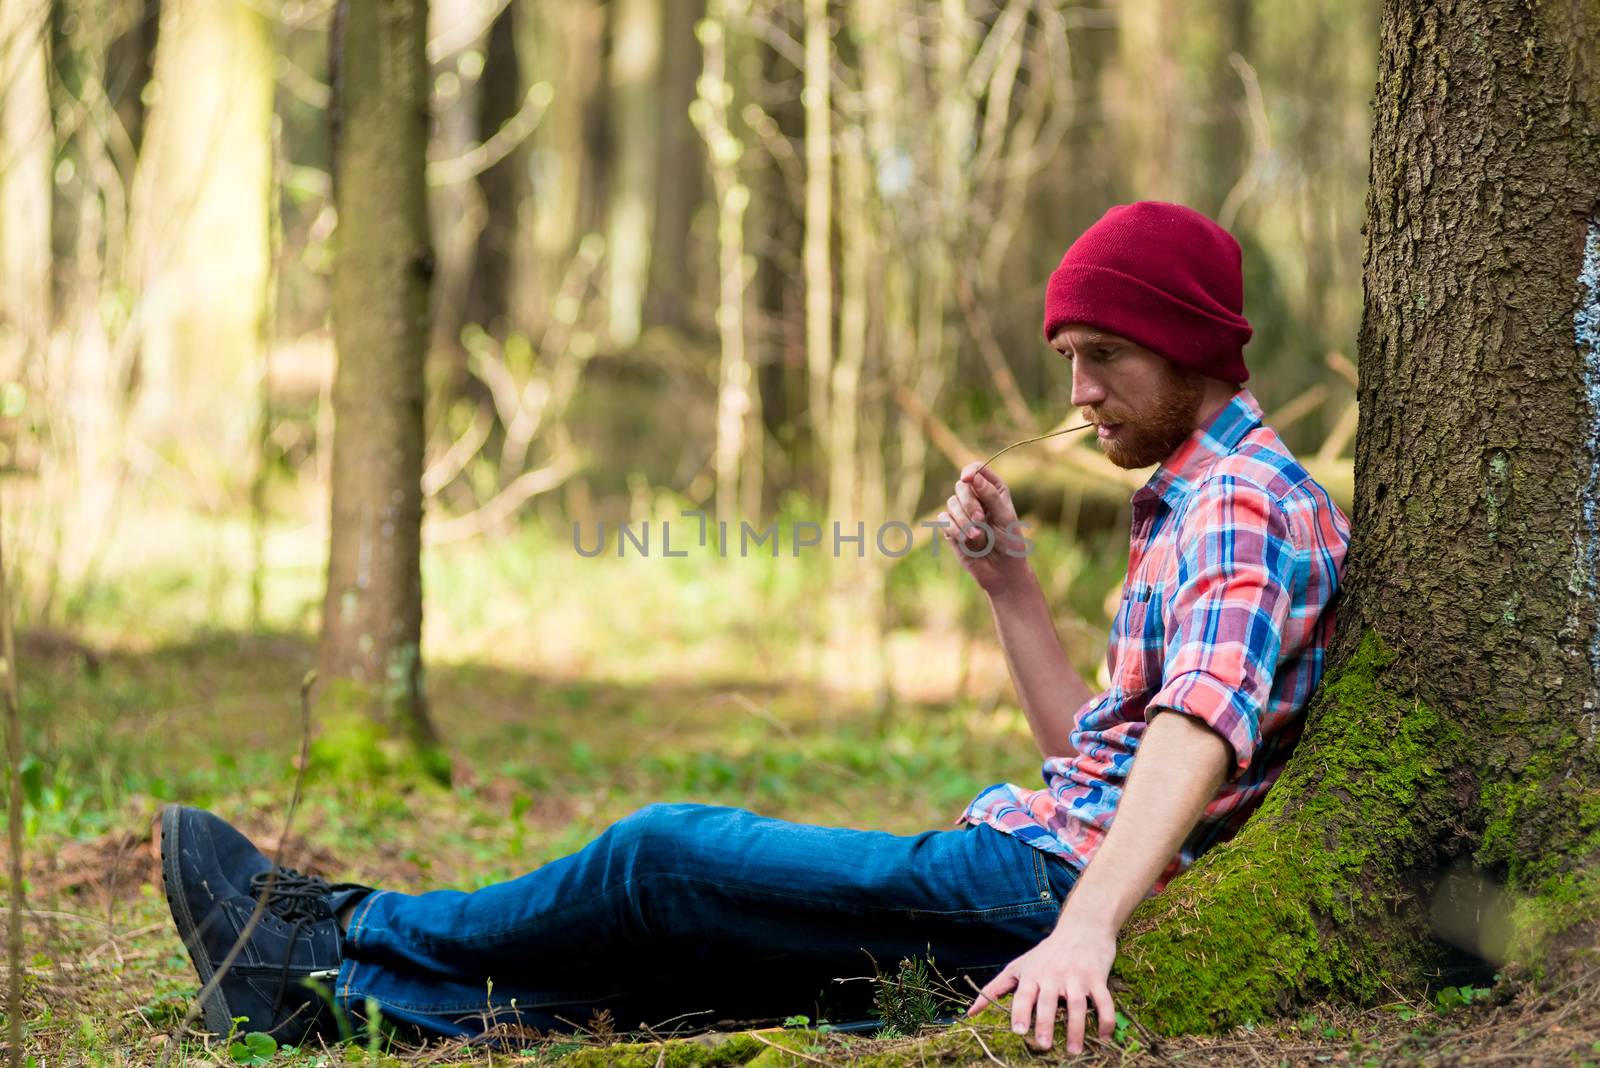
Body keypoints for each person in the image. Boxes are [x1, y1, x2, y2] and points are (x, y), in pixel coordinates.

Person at [160, 201, 1349, 1055]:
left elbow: (1197, 731)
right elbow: (1098, 757)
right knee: (698, 963)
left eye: (1100, 358)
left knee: (661, 858)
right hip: (1046, 863)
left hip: (1046, 890)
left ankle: (332, 922)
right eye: (1067, 361)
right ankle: (329, 1002)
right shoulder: (1196, 497)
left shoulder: (1241, 503)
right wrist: (1013, 596)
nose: (1077, 394)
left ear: (1190, 343)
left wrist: (1086, 931)